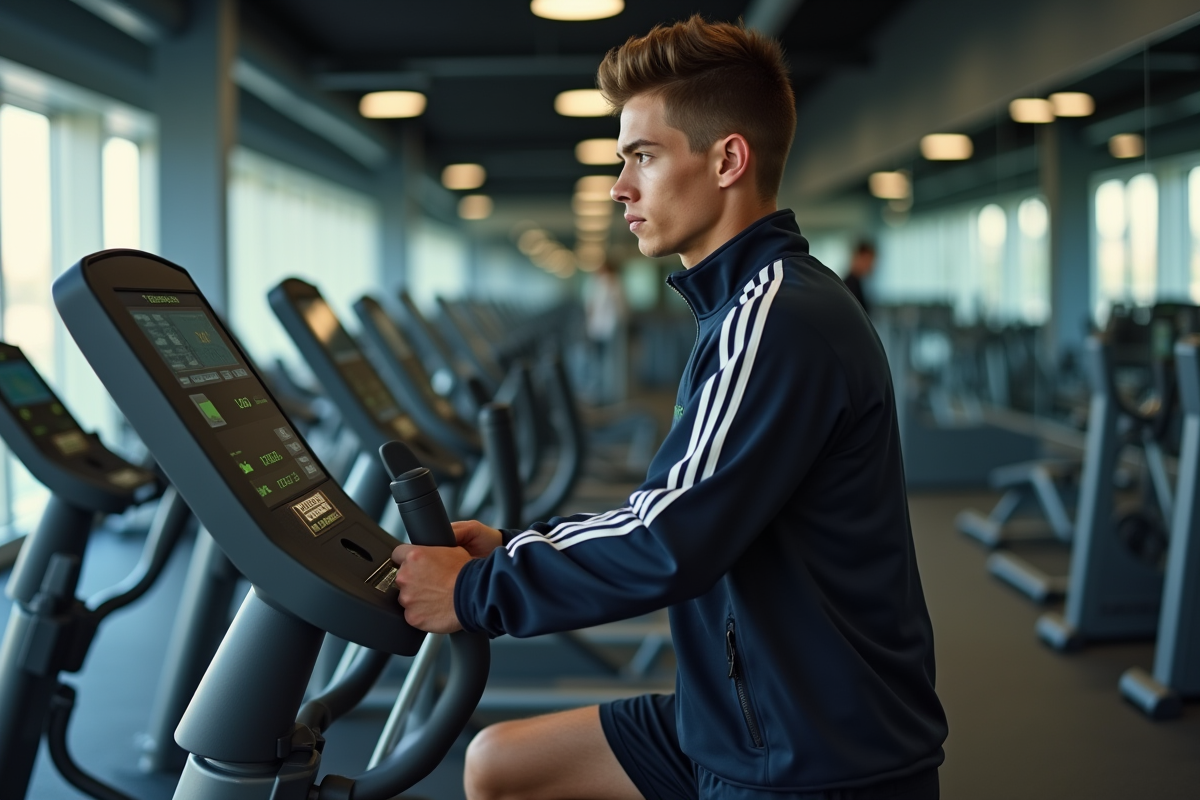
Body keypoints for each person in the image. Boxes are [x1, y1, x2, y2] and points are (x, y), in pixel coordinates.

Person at [391, 15, 947, 800]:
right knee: (500, 767)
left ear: (726, 159)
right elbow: (679, 505)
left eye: (643, 158)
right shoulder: (742, 309)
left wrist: (478, 591)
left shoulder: (777, 317)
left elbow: (670, 537)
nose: (621, 186)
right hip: (733, 714)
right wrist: (512, 548)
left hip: (810, 756)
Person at [843, 240, 876, 314]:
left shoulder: (858, 283)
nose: (871, 266)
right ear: (857, 258)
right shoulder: (849, 286)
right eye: (867, 260)